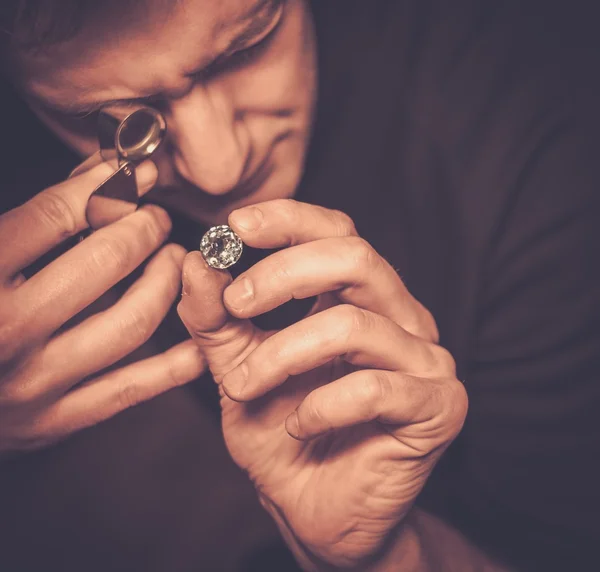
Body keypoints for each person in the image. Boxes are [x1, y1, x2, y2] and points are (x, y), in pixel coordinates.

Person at [0, 1, 599, 570]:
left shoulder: (539, 167)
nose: (220, 168)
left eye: (246, 47)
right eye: (118, 120)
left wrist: (394, 556)